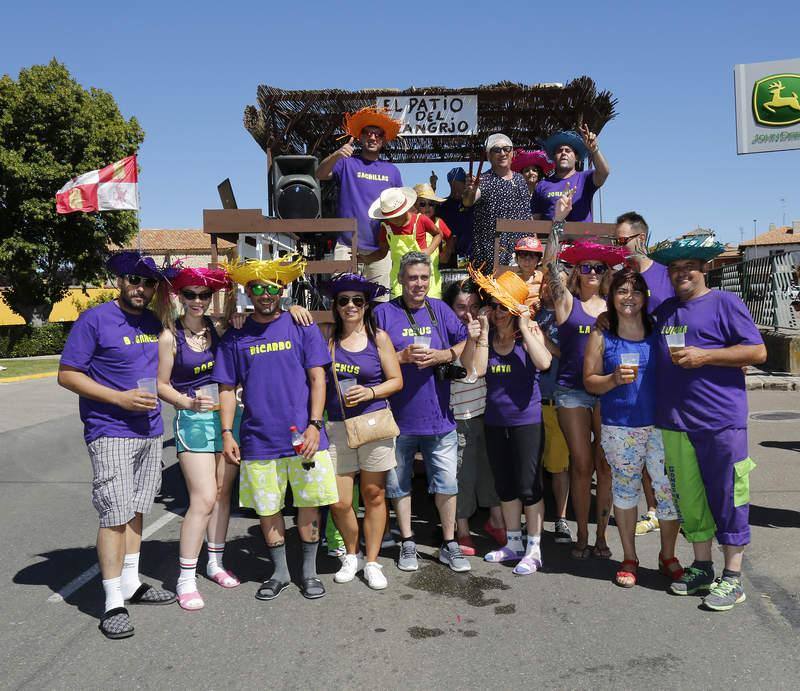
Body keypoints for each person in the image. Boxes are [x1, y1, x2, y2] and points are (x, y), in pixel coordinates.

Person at [57, 251, 176, 640]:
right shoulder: (95, 319)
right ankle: (113, 602)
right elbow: (68, 374)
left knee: (137, 509)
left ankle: (131, 583)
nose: (140, 288)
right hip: (110, 430)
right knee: (114, 514)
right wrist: (117, 398)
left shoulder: (153, 322)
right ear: (119, 282)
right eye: (133, 281)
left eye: (147, 283)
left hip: (149, 429)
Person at [649, 236, 766, 611]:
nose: (682, 274)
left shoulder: (726, 303)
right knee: (691, 499)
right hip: (675, 421)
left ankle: (732, 577)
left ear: (705, 269)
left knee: (730, 495)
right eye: (675, 270)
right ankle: (702, 567)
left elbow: (758, 351)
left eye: (689, 268)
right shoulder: (665, 311)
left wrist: (706, 356)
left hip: (720, 420)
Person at [214, 255, 339, 601]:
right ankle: (280, 573)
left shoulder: (302, 326)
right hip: (258, 441)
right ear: (248, 291)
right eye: (257, 287)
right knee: (268, 510)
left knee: (309, 506)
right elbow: (226, 388)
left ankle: (309, 573)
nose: (265, 294)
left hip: (305, 439)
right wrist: (227, 432)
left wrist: (316, 425)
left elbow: (318, 378)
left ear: (282, 288)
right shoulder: (236, 336)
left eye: (271, 287)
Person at [373, 252, 476, 573]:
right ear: (400, 280)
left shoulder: (441, 309)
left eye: (423, 277)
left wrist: (444, 354)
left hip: (439, 418)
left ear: (429, 279)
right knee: (398, 485)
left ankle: (449, 543)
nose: (418, 283)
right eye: (412, 277)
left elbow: (463, 344)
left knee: (447, 483)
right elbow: (369, 357)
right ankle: (407, 542)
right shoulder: (383, 314)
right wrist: (400, 358)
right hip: (397, 420)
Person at [543, 193, 629, 559]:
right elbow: (549, 266)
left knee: (604, 466)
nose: (591, 272)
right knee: (581, 465)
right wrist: (557, 223)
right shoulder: (567, 303)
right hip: (571, 393)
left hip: (608, 391)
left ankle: (602, 538)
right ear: (576, 271)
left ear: (605, 272)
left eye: (598, 267)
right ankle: (581, 534)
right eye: (585, 267)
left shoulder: (615, 305)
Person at [584, 269, 683, 588]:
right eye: (622, 291)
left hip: (660, 425)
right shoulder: (602, 334)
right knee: (625, 491)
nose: (629, 297)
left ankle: (668, 556)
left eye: (635, 291)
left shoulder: (659, 330)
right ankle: (629, 558)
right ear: (612, 297)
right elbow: (590, 381)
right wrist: (612, 378)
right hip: (620, 427)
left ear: (645, 297)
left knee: (668, 492)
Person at [154, 266, 243, 611]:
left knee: (222, 495)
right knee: (203, 498)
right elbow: (161, 384)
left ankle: (216, 563)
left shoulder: (218, 329)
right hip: (192, 419)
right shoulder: (169, 336)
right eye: (189, 294)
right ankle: (185, 578)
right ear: (179, 297)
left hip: (227, 417)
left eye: (203, 295)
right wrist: (185, 401)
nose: (197, 301)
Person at [467, 267, 553, 574]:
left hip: (526, 422)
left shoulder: (527, 335)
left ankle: (534, 547)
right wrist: (480, 335)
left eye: (504, 307)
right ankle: (513, 542)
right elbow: (476, 370)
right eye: (494, 305)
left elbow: (544, 363)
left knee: (529, 486)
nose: (498, 312)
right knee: (505, 485)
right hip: (495, 421)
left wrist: (527, 326)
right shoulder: (487, 337)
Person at [322, 274, 403, 590]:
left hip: (373, 423)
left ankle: (371, 561)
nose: (351, 306)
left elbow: (397, 380)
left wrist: (370, 393)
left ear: (366, 304)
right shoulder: (328, 339)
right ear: (336, 305)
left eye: (357, 300)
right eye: (344, 300)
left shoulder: (378, 337)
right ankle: (351, 554)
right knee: (339, 502)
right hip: (338, 427)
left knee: (373, 494)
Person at [614, 211, 674, 537]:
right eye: (616, 241)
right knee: (642, 446)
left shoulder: (668, 276)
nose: (619, 247)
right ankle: (652, 509)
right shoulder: (620, 279)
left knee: (667, 451)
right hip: (632, 378)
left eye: (622, 241)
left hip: (669, 376)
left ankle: (672, 509)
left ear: (641, 239)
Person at [442, 281, 506, 554]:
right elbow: (475, 370)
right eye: (460, 307)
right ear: (449, 309)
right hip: (458, 417)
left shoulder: (489, 335)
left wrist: (483, 335)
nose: (467, 313)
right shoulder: (444, 338)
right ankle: (463, 529)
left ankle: (496, 520)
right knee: (462, 475)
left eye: (474, 307)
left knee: (490, 472)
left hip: (485, 414)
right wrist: (475, 338)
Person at [316, 107, 403, 292]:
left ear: (384, 140)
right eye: (368, 133)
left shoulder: (392, 171)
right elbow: (320, 174)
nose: (372, 138)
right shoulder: (347, 163)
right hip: (347, 246)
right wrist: (337, 154)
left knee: (379, 306)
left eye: (378, 134)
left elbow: (399, 210)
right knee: (344, 301)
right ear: (361, 137)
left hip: (380, 250)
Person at [534, 278, 573, 544]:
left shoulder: (571, 316)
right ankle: (532, 518)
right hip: (529, 402)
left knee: (559, 466)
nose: (551, 289)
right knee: (530, 465)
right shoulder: (529, 314)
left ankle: (560, 519)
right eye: (547, 283)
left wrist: (544, 340)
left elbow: (571, 356)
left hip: (557, 400)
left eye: (558, 284)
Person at [463, 133, 533, 269]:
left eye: (506, 149)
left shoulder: (520, 180)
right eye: (496, 150)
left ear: (512, 153)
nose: (502, 153)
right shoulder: (482, 180)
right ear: (489, 156)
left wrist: (533, 242)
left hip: (520, 252)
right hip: (490, 253)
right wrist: (470, 191)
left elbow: (527, 215)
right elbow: (468, 202)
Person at [364, 187, 443, 298]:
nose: (392, 220)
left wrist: (428, 251)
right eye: (389, 217)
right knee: (400, 312)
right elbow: (382, 252)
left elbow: (438, 234)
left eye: (395, 216)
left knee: (429, 310)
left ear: (405, 210)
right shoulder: (386, 227)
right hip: (399, 281)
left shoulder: (420, 220)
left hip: (424, 277)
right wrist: (365, 258)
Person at [533, 126, 610, 222]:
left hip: (583, 236)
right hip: (551, 237)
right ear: (553, 157)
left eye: (568, 151)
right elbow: (535, 220)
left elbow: (604, 172)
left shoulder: (585, 178)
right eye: (559, 151)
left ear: (576, 157)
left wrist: (594, 149)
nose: (564, 153)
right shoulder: (542, 185)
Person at [413, 182, 455, 267]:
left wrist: (446, 252)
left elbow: (451, 238)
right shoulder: (411, 222)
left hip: (433, 269)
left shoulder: (438, 222)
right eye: (422, 204)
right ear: (414, 205)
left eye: (431, 204)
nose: (427, 207)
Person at [438, 167, 474, 263]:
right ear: (453, 183)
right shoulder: (441, 205)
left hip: (468, 255)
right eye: (463, 181)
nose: (465, 184)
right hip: (447, 255)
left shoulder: (472, 204)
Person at [513, 235, 545, 312]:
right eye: (522, 255)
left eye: (532, 256)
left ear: (539, 260)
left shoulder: (543, 279)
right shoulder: (511, 280)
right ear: (516, 259)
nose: (527, 261)